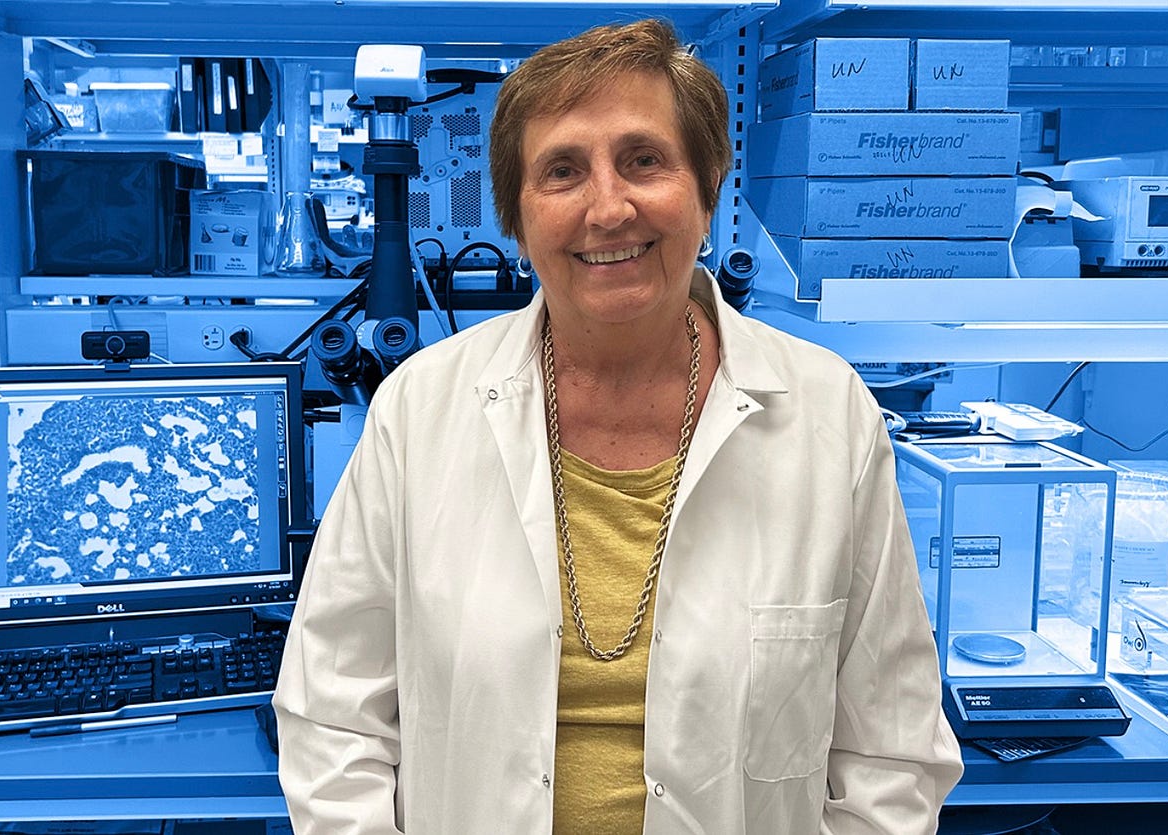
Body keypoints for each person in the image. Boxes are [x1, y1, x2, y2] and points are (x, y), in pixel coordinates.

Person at [273, 18, 962, 834]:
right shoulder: (420, 411)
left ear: (707, 189)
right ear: (518, 221)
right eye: (562, 171)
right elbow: (333, 716)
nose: (608, 207)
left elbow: (891, 749)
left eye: (644, 160)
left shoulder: (827, 411)